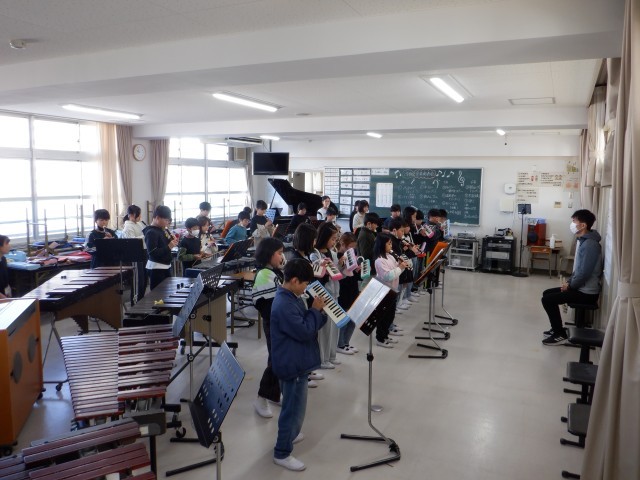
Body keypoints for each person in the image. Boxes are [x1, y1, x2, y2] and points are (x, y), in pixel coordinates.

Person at [270, 258, 326, 471]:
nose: (306, 288)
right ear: (294, 280)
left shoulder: (291, 297)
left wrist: (318, 312)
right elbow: (304, 331)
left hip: (295, 360)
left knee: (295, 407)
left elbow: (307, 324)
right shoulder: (284, 305)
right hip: (291, 363)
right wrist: (315, 311)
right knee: (292, 410)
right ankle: (282, 452)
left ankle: (291, 434)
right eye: (304, 283)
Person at [541, 210, 602, 346]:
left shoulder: (590, 244)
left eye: (574, 221)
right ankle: (556, 328)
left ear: (583, 225)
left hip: (587, 293)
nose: (572, 224)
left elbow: (584, 273)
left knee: (547, 300)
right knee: (547, 294)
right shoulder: (585, 241)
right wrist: (569, 283)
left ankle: (560, 335)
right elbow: (578, 270)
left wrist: (570, 286)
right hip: (580, 288)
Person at [252, 237, 286, 419]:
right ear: (269, 254)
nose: (282, 257)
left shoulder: (273, 271)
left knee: (278, 360)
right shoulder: (264, 274)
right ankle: (261, 398)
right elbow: (267, 306)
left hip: (279, 322)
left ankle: (273, 394)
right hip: (274, 323)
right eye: (279, 253)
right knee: (275, 361)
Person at [310, 222, 341, 369]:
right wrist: (323, 267)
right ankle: (322, 359)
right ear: (324, 237)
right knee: (324, 329)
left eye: (336, 239)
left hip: (335, 293)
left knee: (334, 327)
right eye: (332, 239)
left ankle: (331, 355)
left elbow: (338, 275)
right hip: (323, 295)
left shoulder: (332, 253)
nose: (334, 242)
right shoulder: (314, 254)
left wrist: (341, 265)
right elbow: (316, 276)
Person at [373, 233, 411, 348]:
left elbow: (396, 271)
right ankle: (380, 338)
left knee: (390, 315)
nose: (391, 246)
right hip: (384, 291)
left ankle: (385, 335)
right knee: (383, 317)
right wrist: (400, 267)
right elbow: (388, 276)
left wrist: (401, 266)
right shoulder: (379, 260)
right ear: (382, 245)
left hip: (393, 290)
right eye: (389, 243)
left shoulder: (390, 256)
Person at [143, 205, 177, 290]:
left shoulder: (161, 230)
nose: (167, 223)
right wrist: (169, 246)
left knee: (167, 292)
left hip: (165, 266)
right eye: (166, 220)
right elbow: (153, 253)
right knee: (158, 294)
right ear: (157, 218)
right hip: (156, 268)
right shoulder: (151, 232)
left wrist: (171, 241)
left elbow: (163, 245)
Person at [336, 232, 360, 355]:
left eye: (353, 247)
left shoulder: (352, 255)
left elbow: (354, 274)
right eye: (350, 247)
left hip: (353, 288)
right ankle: (340, 344)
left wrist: (357, 269)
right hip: (343, 290)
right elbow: (337, 274)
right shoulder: (337, 256)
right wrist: (341, 264)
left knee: (353, 319)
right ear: (342, 244)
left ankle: (346, 342)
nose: (352, 249)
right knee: (344, 318)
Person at [121, 205, 148, 302]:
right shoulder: (128, 227)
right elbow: (132, 242)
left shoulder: (140, 223)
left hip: (143, 252)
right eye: (138, 215)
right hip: (135, 255)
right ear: (131, 215)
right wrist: (145, 236)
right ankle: (135, 302)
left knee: (144, 279)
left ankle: (141, 300)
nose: (140, 217)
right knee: (138, 280)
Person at [357, 212, 379, 281]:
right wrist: (378, 250)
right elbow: (365, 254)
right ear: (369, 224)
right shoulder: (364, 235)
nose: (377, 226)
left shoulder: (369, 232)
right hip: (368, 267)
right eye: (375, 224)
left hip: (371, 264)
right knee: (367, 284)